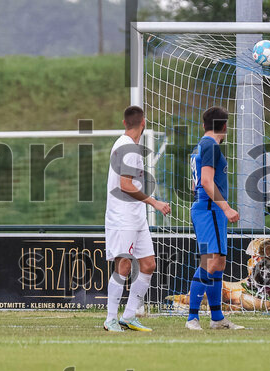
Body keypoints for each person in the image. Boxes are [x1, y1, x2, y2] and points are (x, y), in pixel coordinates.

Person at [103, 106, 171, 332]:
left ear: (124, 123)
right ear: (144, 123)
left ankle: (129, 316)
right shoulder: (129, 148)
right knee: (123, 265)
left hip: (135, 216)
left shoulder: (122, 144)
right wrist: (154, 202)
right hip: (123, 216)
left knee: (149, 264)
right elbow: (125, 185)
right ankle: (110, 318)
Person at [186, 106, 243, 330]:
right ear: (225, 126)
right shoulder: (210, 145)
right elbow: (206, 182)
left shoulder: (200, 146)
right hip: (210, 209)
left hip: (208, 209)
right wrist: (227, 208)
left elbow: (194, 183)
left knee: (219, 261)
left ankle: (217, 318)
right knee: (210, 261)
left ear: (204, 125)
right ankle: (192, 317)